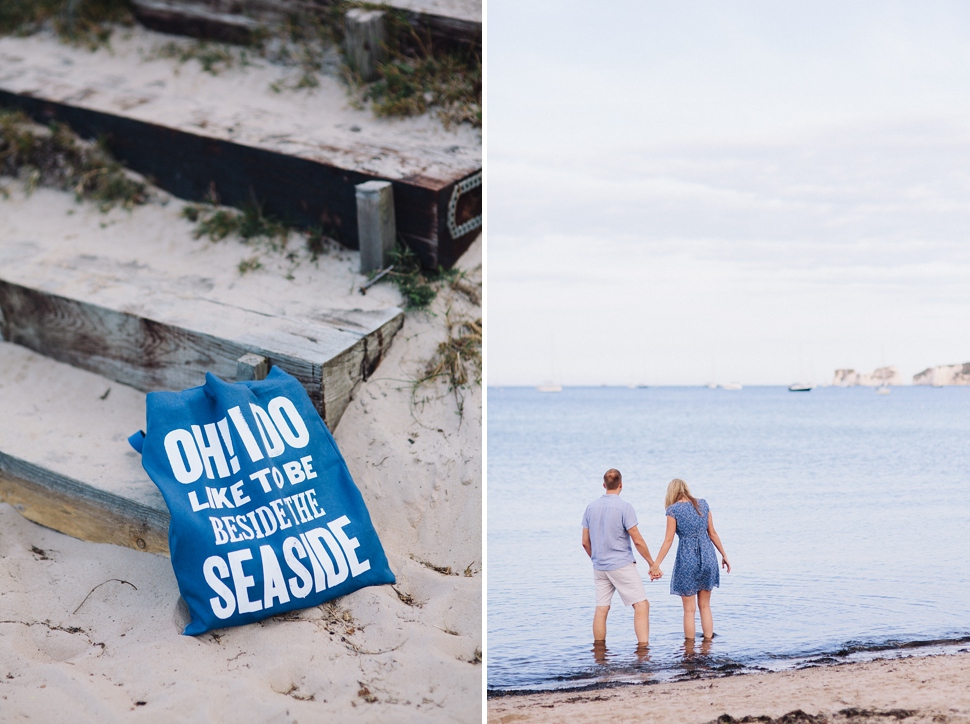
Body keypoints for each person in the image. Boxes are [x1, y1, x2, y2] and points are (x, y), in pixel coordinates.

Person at [581, 468, 660, 646]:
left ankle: (599, 655)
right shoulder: (624, 507)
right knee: (641, 605)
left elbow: (585, 542)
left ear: (604, 485)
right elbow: (637, 539)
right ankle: (643, 651)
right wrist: (651, 563)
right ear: (621, 485)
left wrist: (596, 558)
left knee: (602, 608)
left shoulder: (590, 507)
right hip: (621, 564)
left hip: (599, 566)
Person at [650, 478, 730, 641]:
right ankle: (708, 645)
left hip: (687, 558)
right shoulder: (703, 504)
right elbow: (712, 533)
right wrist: (724, 555)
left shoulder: (673, 510)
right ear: (686, 489)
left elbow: (668, 540)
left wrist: (656, 564)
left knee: (689, 610)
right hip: (708, 556)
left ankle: (689, 650)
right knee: (705, 606)